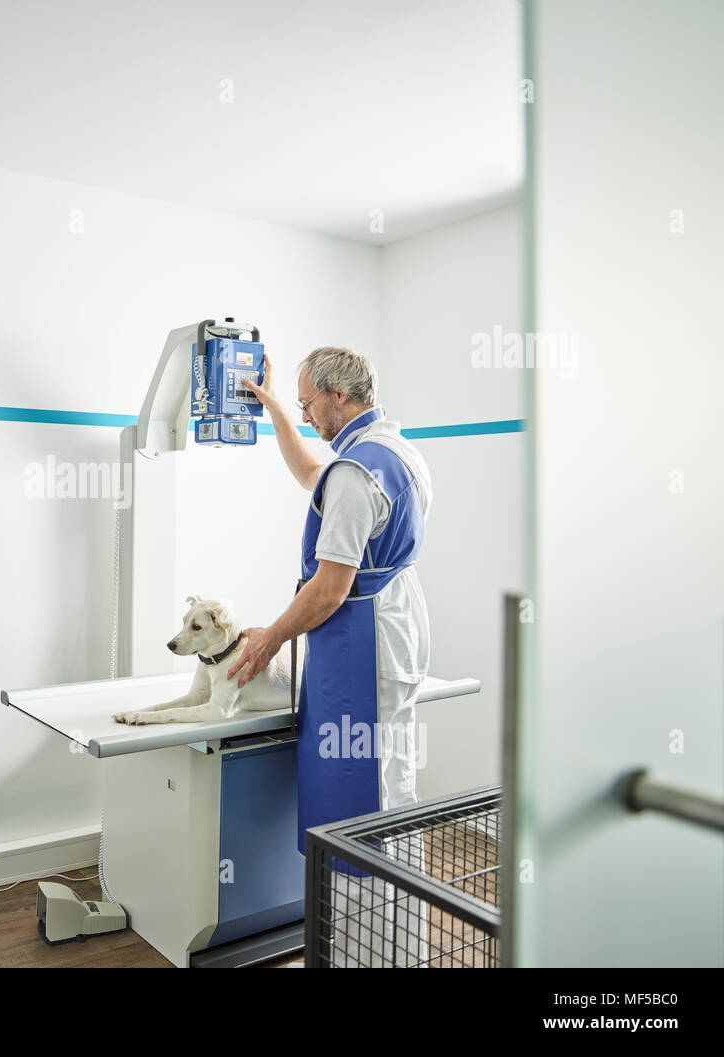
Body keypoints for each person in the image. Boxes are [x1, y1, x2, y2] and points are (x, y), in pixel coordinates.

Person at [227, 345, 433, 966]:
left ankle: (368, 956)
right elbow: (310, 472)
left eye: (309, 403)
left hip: (361, 643)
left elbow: (328, 589)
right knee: (390, 782)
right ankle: (399, 950)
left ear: (339, 396)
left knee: (358, 796)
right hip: (393, 623)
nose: (308, 414)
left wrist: (268, 639)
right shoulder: (394, 451)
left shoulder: (355, 473)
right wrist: (271, 414)